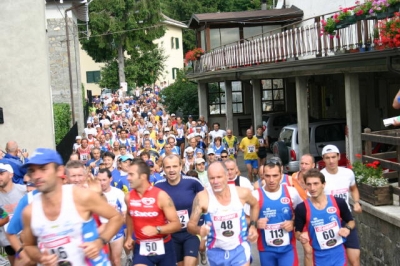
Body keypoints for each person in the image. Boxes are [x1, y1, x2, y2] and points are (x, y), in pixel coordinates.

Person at [21, 148, 124, 265]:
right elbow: (28, 245)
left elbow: (117, 217)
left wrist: (99, 242)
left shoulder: (81, 196)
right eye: (32, 171)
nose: (37, 175)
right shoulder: (29, 211)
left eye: (43, 169)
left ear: (59, 171)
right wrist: (40, 257)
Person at [187, 161, 259, 266]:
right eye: (212, 178)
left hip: (240, 248)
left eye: (219, 177)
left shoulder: (242, 193)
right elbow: (190, 226)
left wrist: (253, 226)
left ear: (226, 176)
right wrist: (199, 230)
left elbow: (255, 205)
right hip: (215, 251)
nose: (215, 181)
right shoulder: (202, 198)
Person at [124, 159, 181, 266]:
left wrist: (157, 229)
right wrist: (129, 237)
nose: (128, 178)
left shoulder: (161, 196)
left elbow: (177, 224)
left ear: (143, 177)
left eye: (131, 175)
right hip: (142, 247)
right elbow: (129, 215)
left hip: (164, 246)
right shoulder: (128, 197)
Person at [295, 169, 355, 266]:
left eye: (316, 183)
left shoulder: (338, 202)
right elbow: (297, 232)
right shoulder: (301, 208)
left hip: (339, 255)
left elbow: (351, 221)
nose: (312, 188)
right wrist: (301, 236)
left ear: (323, 184)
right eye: (309, 184)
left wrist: (347, 228)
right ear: (305, 186)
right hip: (318, 257)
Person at [155, 155, 204, 266]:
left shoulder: (193, 182)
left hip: (191, 232)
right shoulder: (158, 186)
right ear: (163, 168)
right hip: (171, 234)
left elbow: (205, 204)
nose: (171, 170)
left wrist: (202, 230)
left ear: (180, 167)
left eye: (175, 166)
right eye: (168, 167)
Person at [252, 159, 303, 266]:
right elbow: (245, 218)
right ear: (263, 176)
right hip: (266, 250)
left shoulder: (291, 192)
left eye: (275, 175)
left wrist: (293, 223)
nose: (271, 180)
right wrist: (255, 224)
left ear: (281, 175)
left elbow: (302, 215)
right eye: (267, 176)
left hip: (287, 249)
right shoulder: (255, 195)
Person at [320, 145, 361, 266]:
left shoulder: (348, 173)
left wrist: (356, 202)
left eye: (333, 157)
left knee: (355, 259)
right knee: (333, 261)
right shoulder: (320, 177)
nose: (331, 161)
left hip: (347, 220)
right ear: (323, 159)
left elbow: (353, 189)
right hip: (328, 222)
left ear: (339, 157)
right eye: (327, 158)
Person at [97, 168, 127, 266]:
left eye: (104, 180)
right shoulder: (94, 195)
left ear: (110, 179)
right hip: (102, 231)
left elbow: (125, 213)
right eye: (99, 180)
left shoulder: (118, 193)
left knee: (116, 260)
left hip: (116, 230)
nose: (101, 183)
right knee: (107, 260)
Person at [0, 163, 27, 265]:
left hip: (27, 240)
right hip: (8, 242)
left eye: (1, 173)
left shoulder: (24, 191)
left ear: (11, 175)